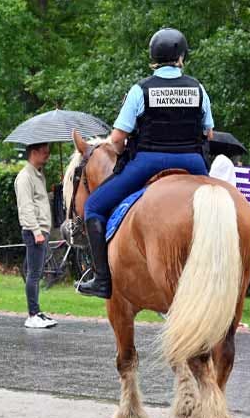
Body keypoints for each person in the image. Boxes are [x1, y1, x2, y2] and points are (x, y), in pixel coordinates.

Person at [77, 27, 214, 299]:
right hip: (193, 162)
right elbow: (208, 132)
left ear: (153, 58)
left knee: (93, 206)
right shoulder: (198, 88)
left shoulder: (140, 90)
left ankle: (102, 279)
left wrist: (122, 148)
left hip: (148, 161)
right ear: (181, 58)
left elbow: (117, 139)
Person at [15, 143, 58, 328]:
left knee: (36, 272)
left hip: (42, 230)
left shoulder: (38, 175)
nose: (47, 154)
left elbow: (40, 201)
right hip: (35, 231)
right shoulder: (25, 177)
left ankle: (37, 311)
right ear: (33, 153)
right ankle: (32, 314)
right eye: (44, 151)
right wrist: (36, 231)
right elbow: (26, 207)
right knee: (33, 274)